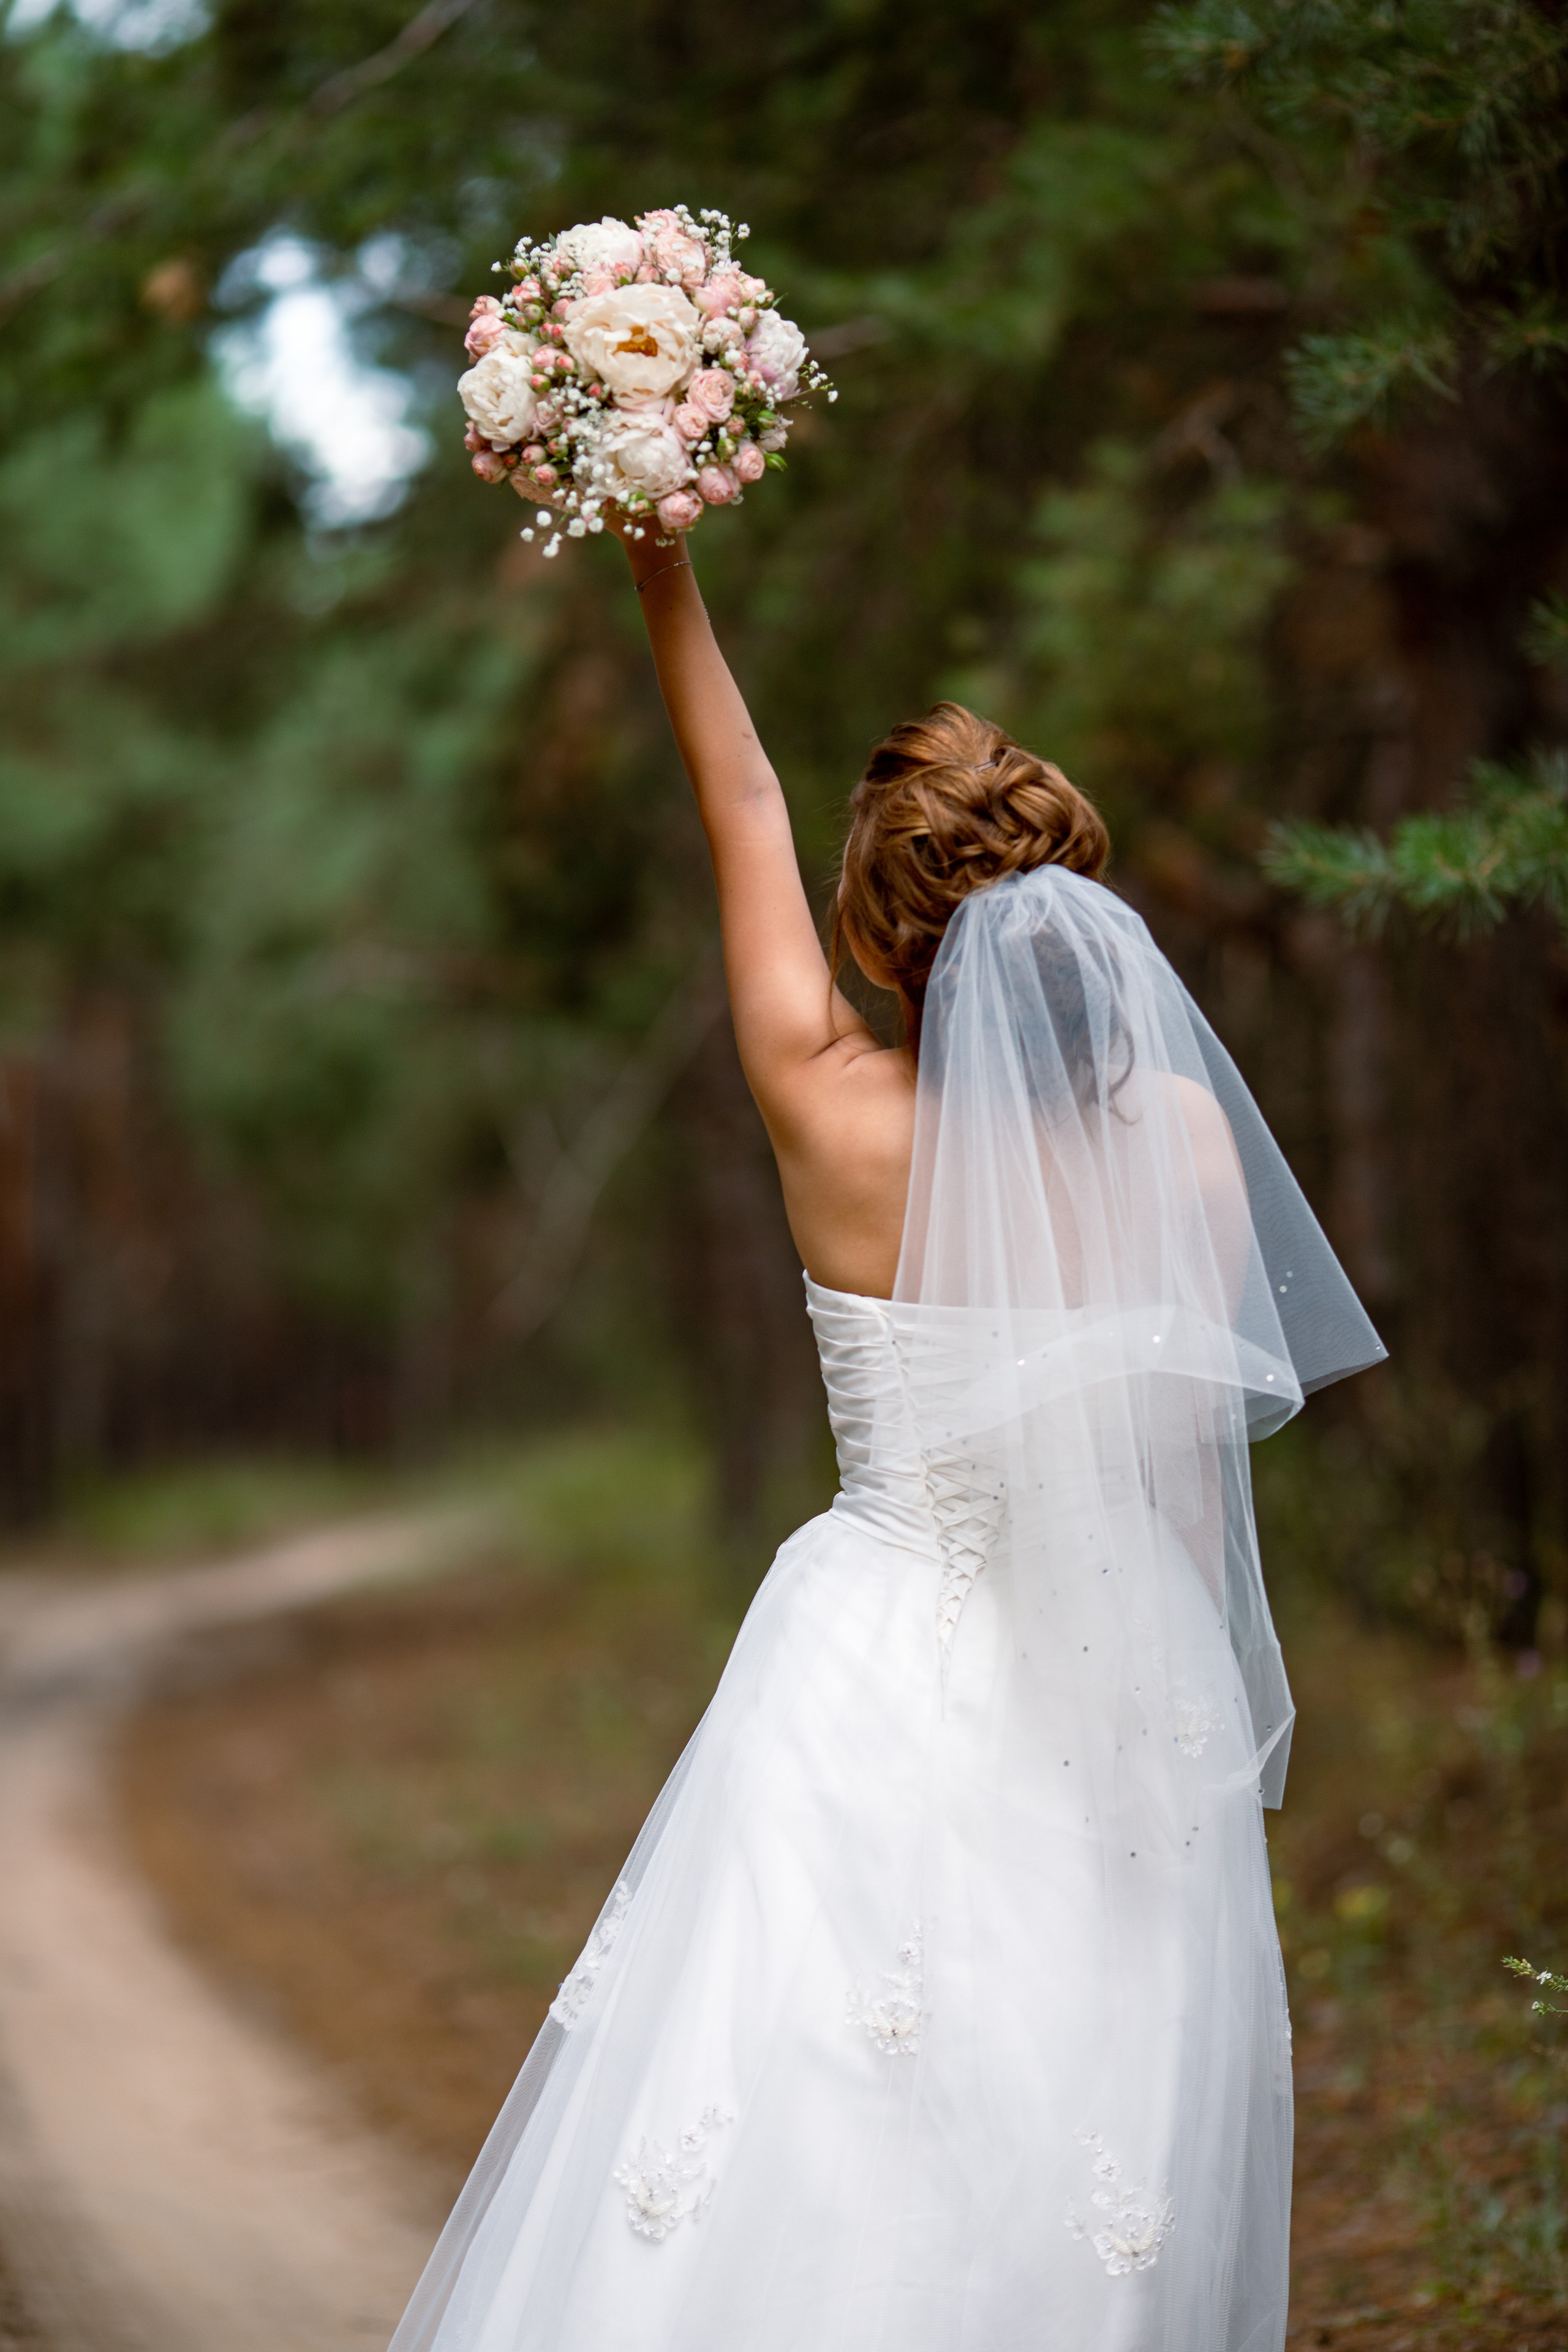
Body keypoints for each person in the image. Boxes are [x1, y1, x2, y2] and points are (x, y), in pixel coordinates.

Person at [389, 520, 1386, 2352]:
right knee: (1090, 2110)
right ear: (1087, 916)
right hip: (1131, 1672)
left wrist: (658, 559)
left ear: (881, 927)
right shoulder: (1176, 1135)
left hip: (869, 1657)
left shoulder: (827, 1108)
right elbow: (1176, 1474)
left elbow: (746, 808)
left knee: (804, 2098)